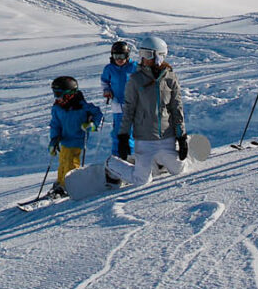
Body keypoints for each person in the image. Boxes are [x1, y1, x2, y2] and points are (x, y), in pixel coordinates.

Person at [107, 36, 188, 186]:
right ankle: (112, 163)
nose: (143, 59)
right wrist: (123, 136)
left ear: (160, 56)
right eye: (142, 54)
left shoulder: (170, 78)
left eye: (148, 55)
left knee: (179, 169)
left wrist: (181, 137)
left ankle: (159, 160)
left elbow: (177, 109)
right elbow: (129, 110)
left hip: (166, 136)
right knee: (141, 180)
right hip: (144, 139)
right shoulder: (136, 79)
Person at [47, 76, 103, 197]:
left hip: (77, 140)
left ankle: (69, 186)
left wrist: (92, 125)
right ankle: (60, 184)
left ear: (70, 94)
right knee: (62, 162)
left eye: (59, 94)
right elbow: (55, 125)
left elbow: (98, 113)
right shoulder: (57, 108)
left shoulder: (82, 106)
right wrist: (53, 139)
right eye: (55, 94)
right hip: (64, 140)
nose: (57, 98)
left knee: (70, 164)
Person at [100, 39, 134, 152]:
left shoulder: (134, 67)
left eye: (122, 56)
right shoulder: (109, 69)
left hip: (132, 105)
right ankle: (117, 156)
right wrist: (106, 90)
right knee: (118, 132)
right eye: (116, 56)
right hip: (117, 104)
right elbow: (104, 81)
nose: (119, 59)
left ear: (127, 55)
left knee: (130, 133)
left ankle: (131, 155)